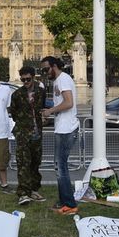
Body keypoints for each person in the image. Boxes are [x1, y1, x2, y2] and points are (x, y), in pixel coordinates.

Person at [40, 56, 79, 215]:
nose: (44, 73)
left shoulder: (62, 79)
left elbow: (69, 103)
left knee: (60, 167)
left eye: (45, 69)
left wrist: (50, 110)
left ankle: (70, 204)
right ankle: (65, 201)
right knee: (60, 166)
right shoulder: (59, 81)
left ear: (54, 66)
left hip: (66, 129)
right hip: (63, 128)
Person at [8, 66, 46, 205]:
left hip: (37, 133)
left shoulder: (41, 92)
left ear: (33, 77)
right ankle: (23, 193)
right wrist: (24, 124)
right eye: (23, 80)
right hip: (23, 134)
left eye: (28, 79)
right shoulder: (17, 94)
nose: (25, 82)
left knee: (35, 163)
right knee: (23, 163)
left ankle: (34, 189)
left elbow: (41, 108)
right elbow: (13, 113)